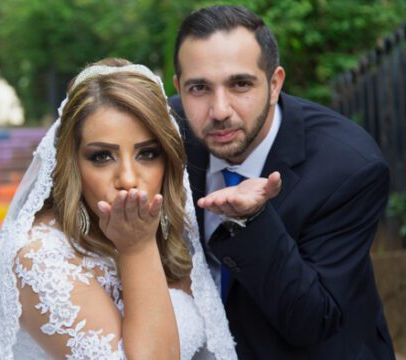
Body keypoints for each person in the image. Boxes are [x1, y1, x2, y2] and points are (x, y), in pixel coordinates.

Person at [0, 58, 238, 359]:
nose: (127, 179)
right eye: (102, 157)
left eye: (147, 153)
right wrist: (137, 249)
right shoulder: (39, 257)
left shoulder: (166, 231)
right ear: (72, 164)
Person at [169, 5, 396, 359]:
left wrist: (252, 221)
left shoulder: (349, 168)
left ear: (275, 84)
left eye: (240, 84)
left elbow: (311, 320)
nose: (219, 110)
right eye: (199, 88)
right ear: (179, 88)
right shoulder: (162, 136)